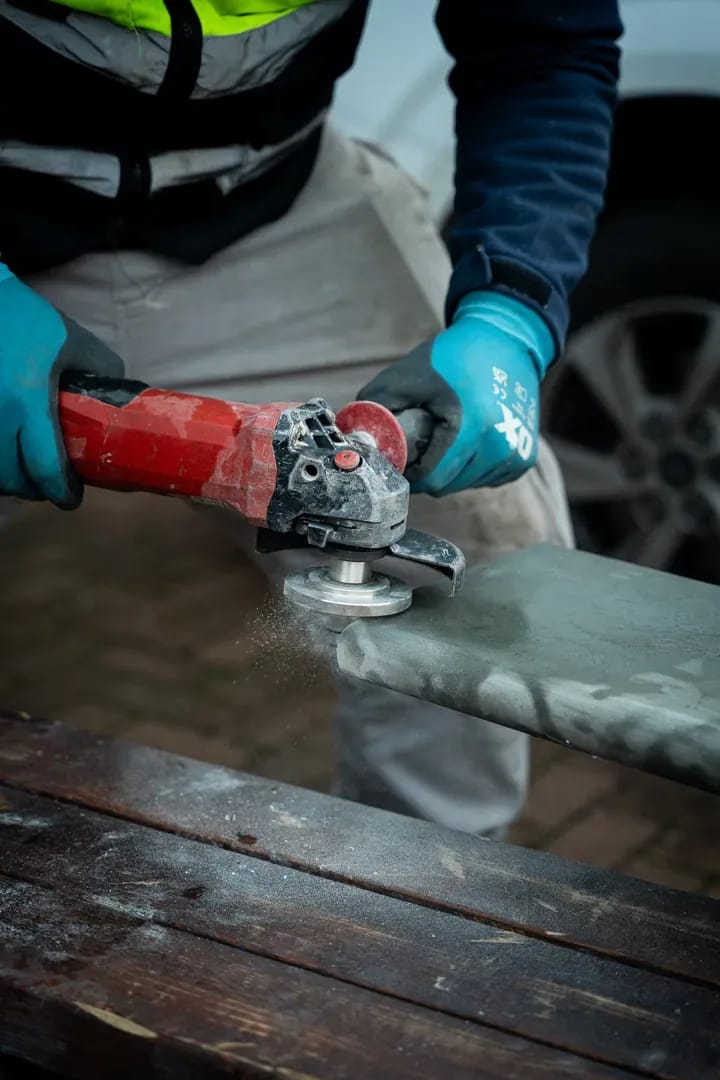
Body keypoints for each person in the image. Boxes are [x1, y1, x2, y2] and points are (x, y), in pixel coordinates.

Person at [0, 1, 622, 837]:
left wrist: (509, 313)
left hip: (272, 193)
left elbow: (545, 44)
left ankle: (429, 895)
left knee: (483, 544)